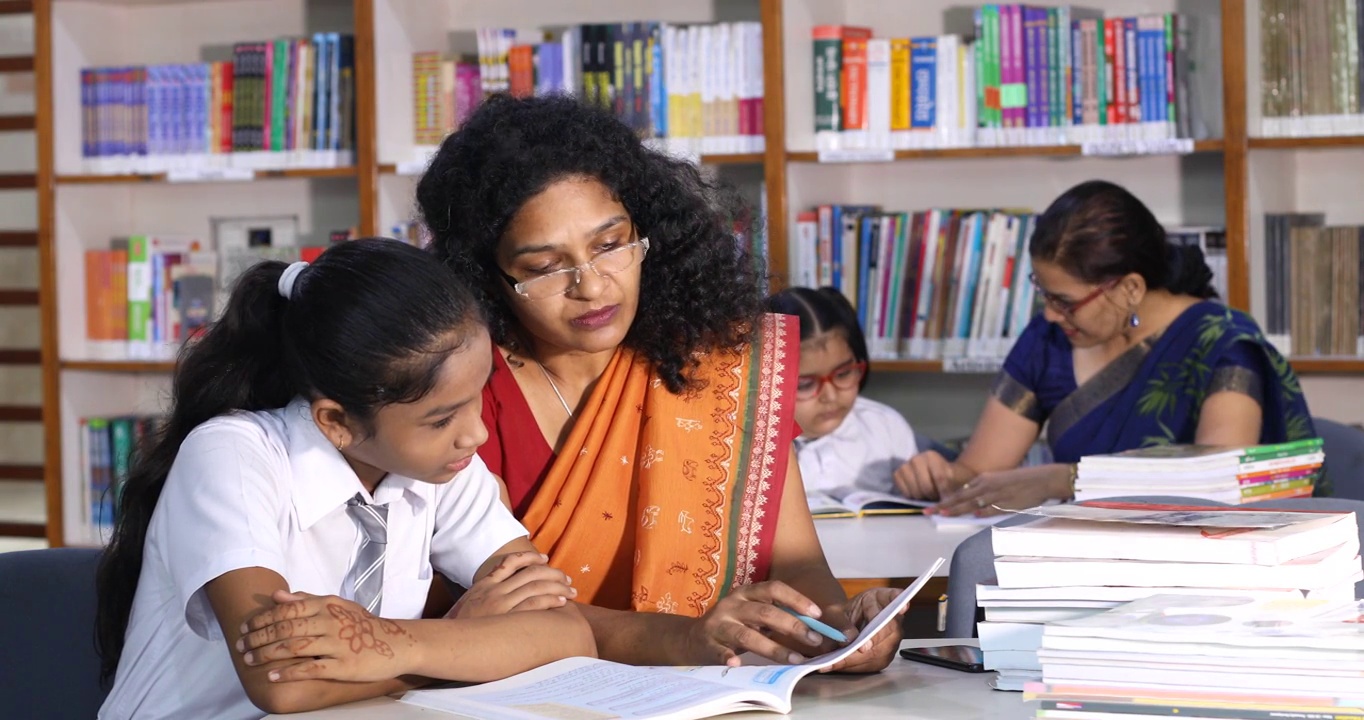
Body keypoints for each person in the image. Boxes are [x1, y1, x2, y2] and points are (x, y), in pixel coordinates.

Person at [417, 94, 902, 672]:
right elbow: (519, 610)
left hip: (722, 691)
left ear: (648, 232)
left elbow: (794, 561)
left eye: (610, 244)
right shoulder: (466, 393)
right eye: (546, 268)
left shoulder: (719, 362)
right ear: (488, 276)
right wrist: (686, 638)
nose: (592, 287)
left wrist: (841, 628)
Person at [94, 239, 595, 720]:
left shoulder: (444, 466)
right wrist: (456, 643)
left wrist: (396, 648)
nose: (477, 433)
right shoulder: (232, 455)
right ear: (336, 423)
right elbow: (284, 682)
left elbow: (566, 634)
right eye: (442, 419)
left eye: (477, 397)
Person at [894, 180, 1320, 516]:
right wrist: (941, 476)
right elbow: (980, 472)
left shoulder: (1222, 346)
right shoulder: (1048, 341)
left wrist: (1066, 480)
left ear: (1131, 287)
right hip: (1073, 561)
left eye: (1065, 300)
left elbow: (1213, 483)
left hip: (1195, 570)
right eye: (1043, 293)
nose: (1050, 314)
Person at [767, 286, 919, 495]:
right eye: (805, 384)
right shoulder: (755, 451)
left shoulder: (887, 428)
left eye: (843, 373)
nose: (830, 396)